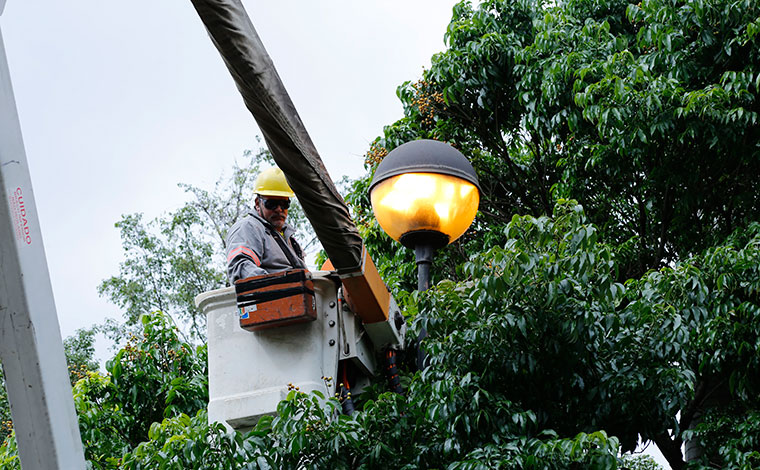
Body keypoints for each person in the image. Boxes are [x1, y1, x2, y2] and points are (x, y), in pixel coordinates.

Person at [226, 167, 306, 283]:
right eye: (272, 204)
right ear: (258, 204)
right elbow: (241, 267)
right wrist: (275, 285)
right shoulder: (249, 227)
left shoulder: (287, 238)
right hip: (273, 298)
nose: (279, 209)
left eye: (284, 204)